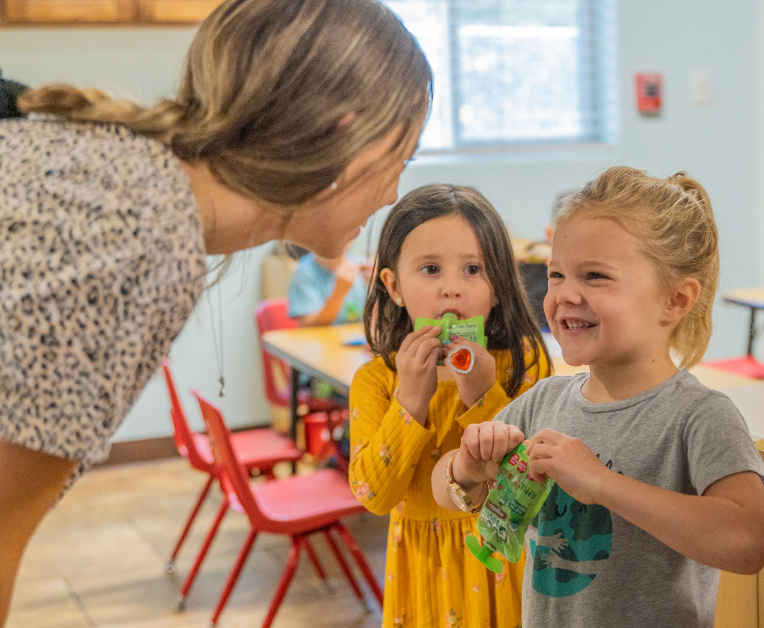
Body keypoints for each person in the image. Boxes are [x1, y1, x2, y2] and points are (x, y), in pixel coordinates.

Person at [0, 0, 432, 622]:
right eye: (403, 159)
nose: (393, 193)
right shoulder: (143, 236)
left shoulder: (128, 174)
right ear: (347, 139)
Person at [432, 166, 764, 628]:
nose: (564, 295)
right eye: (556, 275)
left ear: (675, 300)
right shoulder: (543, 402)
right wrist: (466, 467)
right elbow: (446, 490)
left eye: (594, 276)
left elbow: (748, 541)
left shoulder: (699, 416)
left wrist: (602, 484)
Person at [349, 184, 550, 628]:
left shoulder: (525, 366)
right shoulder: (375, 381)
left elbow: (527, 486)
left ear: (498, 286)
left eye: (473, 269)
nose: (452, 290)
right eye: (431, 269)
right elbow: (374, 497)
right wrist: (410, 401)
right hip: (420, 573)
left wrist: (482, 394)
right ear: (394, 285)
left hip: (503, 562)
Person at [288, 243, 369, 326]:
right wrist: (339, 293)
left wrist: (377, 289)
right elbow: (309, 326)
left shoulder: (364, 265)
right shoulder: (304, 271)